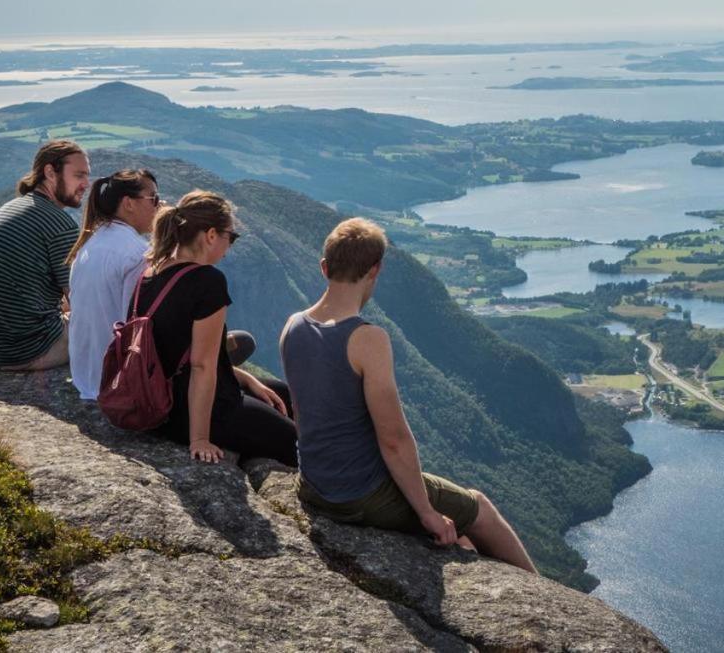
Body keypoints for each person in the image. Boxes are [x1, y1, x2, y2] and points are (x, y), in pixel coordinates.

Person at [280, 217, 537, 573]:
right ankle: (553, 600)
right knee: (478, 508)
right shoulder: (368, 340)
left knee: (461, 541)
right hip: (359, 496)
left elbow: (304, 413)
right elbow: (395, 441)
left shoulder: (293, 326)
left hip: (313, 488)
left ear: (325, 267)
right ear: (375, 271)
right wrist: (427, 514)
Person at [132, 189, 298, 467]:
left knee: (279, 393)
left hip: (159, 399)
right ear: (210, 235)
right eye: (230, 237)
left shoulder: (151, 273)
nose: (229, 246)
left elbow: (175, 349)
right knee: (299, 447)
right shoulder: (207, 281)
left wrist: (246, 379)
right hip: (198, 411)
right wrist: (199, 438)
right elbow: (201, 366)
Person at [0, 140, 89, 371]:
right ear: (50, 172)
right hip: (27, 350)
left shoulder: (11, 209)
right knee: (106, 325)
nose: (86, 184)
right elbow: (82, 300)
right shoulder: (59, 224)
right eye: (79, 175)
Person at [65, 169, 162, 399]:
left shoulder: (88, 247)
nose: (159, 206)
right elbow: (139, 325)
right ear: (128, 203)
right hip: (117, 383)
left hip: (85, 377)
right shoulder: (137, 254)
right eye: (154, 199)